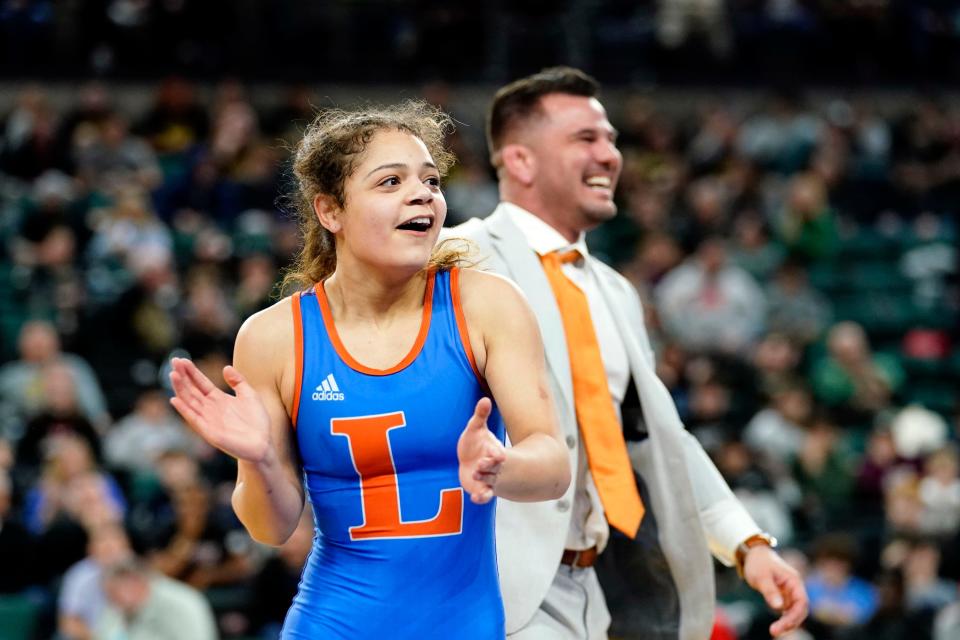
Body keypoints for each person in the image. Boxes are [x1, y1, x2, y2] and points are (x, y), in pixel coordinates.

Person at [168, 101, 570, 639]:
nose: (422, 193)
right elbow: (271, 526)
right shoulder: (271, 338)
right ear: (330, 211)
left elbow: (551, 465)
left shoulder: (487, 305)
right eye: (390, 182)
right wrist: (262, 460)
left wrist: (500, 465)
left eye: (431, 179)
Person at [449, 66, 808, 639]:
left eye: (612, 139)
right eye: (585, 139)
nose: (611, 155)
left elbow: (658, 439)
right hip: (485, 584)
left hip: (596, 588)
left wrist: (746, 542)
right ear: (520, 161)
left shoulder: (614, 289)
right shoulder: (455, 257)